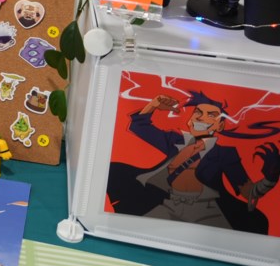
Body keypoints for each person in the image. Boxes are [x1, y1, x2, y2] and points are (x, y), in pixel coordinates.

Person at [107, 91, 279, 233]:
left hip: (204, 211)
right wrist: (153, 105)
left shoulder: (225, 154)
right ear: (190, 120)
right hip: (166, 204)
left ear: (220, 126)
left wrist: (269, 179)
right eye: (198, 112)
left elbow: (248, 191)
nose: (201, 118)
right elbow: (140, 127)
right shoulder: (175, 141)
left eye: (211, 115)